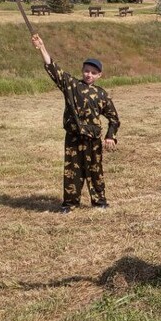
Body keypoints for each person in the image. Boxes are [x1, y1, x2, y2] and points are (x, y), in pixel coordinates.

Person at [32, 34, 120, 213]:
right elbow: (53, 68)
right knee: (72, 171)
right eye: (87, 71)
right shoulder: (71, 85)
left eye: (93, 72)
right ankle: (70, 203)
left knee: (95, 171)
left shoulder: (102, 94)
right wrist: (42, 47)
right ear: (82, 70)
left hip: (92, 139)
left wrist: (110, 136)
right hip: (73, 138)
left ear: (99, 75)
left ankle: (100, 202)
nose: (89, 75)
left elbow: (114, 119)